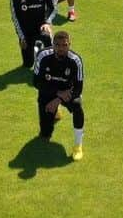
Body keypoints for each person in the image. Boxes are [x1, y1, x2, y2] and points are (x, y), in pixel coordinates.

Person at [33, 30, 85, 160]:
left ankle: (78, 146)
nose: (61, 48)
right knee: (45, 134)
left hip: (68, 93)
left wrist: (58, 99)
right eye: (57, 45)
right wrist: (56, 93)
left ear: (69, 45)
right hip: (48, 91)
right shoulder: (43, 56)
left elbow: (78, 88)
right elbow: (36, 82)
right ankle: (54, 113)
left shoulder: (76, 61)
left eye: (64, 45)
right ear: (52, 44)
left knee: (77, 105)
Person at [10, 0, 57, 68]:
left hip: (42, 27)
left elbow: (53, 8)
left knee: (46, 36)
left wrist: (47, 23)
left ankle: (50, 59)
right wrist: (22, 37)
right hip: (26, 31)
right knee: (28, 64)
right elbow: (15, 17)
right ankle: (37, 47)